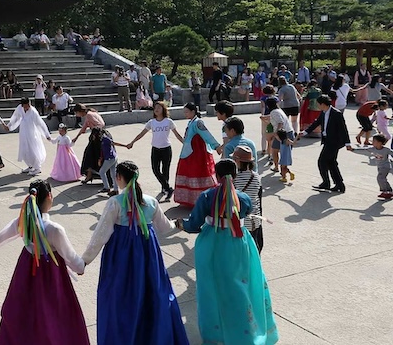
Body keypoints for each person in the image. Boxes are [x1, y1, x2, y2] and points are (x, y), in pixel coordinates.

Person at [0, 179, 89, 344]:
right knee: (54, 319)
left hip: (26, 272)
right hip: (51, 277)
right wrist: (81, 267)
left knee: (24, 316)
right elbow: (72, 259)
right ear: (50, 197)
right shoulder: (55, 229)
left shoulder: (23, 222)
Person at [82, 161, 188, 345]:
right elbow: (164, 227)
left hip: (122, 256)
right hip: (148, 255)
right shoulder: (151, 202)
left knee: (121, 297)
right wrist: (176, 224)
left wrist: (84, 261)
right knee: (152, 293)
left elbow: (100, 235)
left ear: (120, 178)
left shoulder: (115, 203)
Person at [178, 159, 278, 345]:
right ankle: (247, 331)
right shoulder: (243, 198)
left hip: (213, 243)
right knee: (241, 285)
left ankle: (216, 335)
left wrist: (182, 224)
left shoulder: (207, 196)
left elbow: (193, 224)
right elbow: (246, 212)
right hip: (238, 242)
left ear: (216, 174)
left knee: (212, 288)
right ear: (236, 174)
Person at [125, 102, 184, 200]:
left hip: (166, 149)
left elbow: (177, 135)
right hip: (155, 149)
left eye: (159, 108)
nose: (156, 109)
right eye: (155, 108)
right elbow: (141, 134)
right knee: (155, 169)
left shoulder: (168, 121)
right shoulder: (151, 122)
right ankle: (168, 188)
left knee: (165, 170)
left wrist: (185, 144)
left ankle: (165, 189)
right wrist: (132, 142)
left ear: (163, 109)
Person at [299, 95, 351, 193]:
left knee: (322, 162)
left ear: (323, 104)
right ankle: (339, 185)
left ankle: (326, 183)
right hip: (327, 140)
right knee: (331, 163)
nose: (317, 106)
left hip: (334, 142)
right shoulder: (323, 112)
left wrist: (347, 143)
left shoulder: (336, 114)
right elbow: (316, 123)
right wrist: (305, 132)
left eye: (318, 104)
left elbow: (343, 129)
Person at [174, 102, 219, 207]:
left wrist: (216, 145)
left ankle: (200, 199)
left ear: (193, 112)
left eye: (187, 112)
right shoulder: (191, 122)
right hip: (189, 153)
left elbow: (207, 135)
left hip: (196, 154)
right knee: (190, 174)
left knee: (197, 173)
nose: (185, 114)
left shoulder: (198, 123)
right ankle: (192, 199)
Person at [6, 98, 52, 176]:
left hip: (32, 134)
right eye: (25, 106)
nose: (27, 107)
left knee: (33, 150)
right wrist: (9, 126)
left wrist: (46, 134)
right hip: (23, 132)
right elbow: (15, 118)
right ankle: (30, 166)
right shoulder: (19, 109)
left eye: (28, 105)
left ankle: (37, 168)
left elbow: (40, 123)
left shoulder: (33, 112)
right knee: (25, 150)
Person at [348, 134, 393, 200]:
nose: (372, 142)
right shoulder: (373, 149)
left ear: (380, 143)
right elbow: (363, 150)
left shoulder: (386, 150)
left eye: (374, 141)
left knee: (380, 178)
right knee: (382, 179)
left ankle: (386, 191)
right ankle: (389, 191)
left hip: (385, 166)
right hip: (380, 166)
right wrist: (353, 150)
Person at [72, 103, 106, 181]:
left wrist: (95, 130)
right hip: (95, 136)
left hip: (97, 137)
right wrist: (76, 137)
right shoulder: (90, 114)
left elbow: (101, 124)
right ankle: (90, 174)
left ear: (80, 111)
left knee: (92, 155)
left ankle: (92, 175)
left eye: (76, 113)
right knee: (90, 155)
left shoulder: (89, 115)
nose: (76, 115)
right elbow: (84, 128)